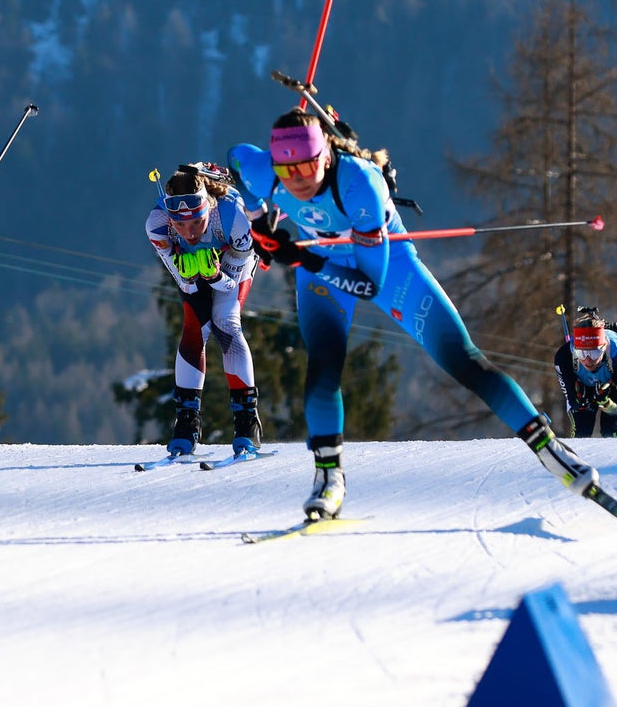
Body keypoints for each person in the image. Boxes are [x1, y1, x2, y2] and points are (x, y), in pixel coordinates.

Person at [229, 108, 598, 521]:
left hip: (384, 264)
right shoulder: (264, 170)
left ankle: (547, 447)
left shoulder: (360, 184)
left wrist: (299, 257)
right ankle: (329, 477)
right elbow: (236, 159)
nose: (297, 178)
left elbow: (368, 284)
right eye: (287, 167)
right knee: (323, 369)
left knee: (463, 359)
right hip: (320, 257)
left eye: (308, 165)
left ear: (327, 155)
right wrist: (260, 223)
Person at [145, 162, 261, 458]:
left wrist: (215, 276)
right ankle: (186, 421)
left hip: (235, 261)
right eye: (180, 226)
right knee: (194, 328)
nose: (190, 232)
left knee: (226, 322)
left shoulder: (232, 217)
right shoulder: (157, 224)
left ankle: (247, 422)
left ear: (208, 207)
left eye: (197, 222)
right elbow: (186, 282)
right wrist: (195, 276)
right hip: (199, 271)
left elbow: (230, 285)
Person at [554, 308, 617, 438]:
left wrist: (606, 402)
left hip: (616, 384)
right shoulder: (563, 357)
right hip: (583, 383)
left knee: (610, 427)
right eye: (582, 353)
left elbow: (616, 406)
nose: (588, 360)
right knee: (581, 429)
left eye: (594, 353)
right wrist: (580, 399)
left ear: (604, 348)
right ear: (574, 350)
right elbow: (572, 398)